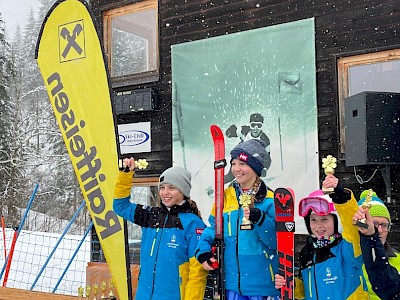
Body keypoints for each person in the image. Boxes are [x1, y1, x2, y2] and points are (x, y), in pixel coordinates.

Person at [195, 139, 280, 300]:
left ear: (256, 167)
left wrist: (260, 219)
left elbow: (275, 242)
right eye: (233, 163)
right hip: (231, 284)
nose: (236, 169)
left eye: (242, 163)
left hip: (262, 285)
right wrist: (203, 251)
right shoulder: (225, 197)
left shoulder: (270, 200)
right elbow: (213, 227)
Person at [113, 158, 208, 300]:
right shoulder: (150, 215)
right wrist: (126, 175)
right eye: (162, 187)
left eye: (171, 187)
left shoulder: (193, 223)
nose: (165, 192)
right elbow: (120, 207)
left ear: (183, 191)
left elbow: (197, 274)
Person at [276, 174, 369, 299]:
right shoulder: (308, 252)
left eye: (324, 219)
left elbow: (351, 225)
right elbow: (306, 292)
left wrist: (341, 197)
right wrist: (292, 285)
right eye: (313, 220)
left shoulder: (348, 247)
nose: (318, 225)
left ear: (337, 221)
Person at [353, 191, 400, 300]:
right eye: (374, 224)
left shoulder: (398, 259)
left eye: (384, 225)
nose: (379, 230)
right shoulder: (347, 258)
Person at [225, 113, 271, 182]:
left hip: (253, 161)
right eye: (253, 125)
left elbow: (267, 159)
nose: (256, 128)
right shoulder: (244, 130)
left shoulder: (265, 140)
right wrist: (229, 132)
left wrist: (264, 168)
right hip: (240, 156)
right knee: (230, 177)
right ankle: (214, 186)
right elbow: (231, 133)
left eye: (259, 125)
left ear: (262, 126)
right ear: (250, 125)